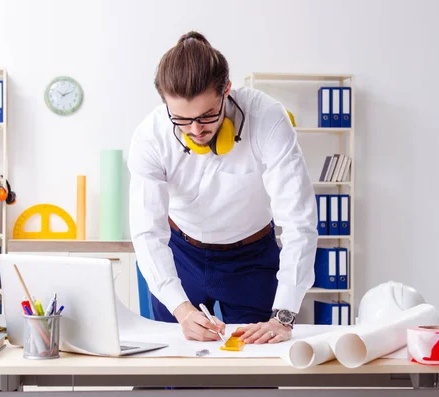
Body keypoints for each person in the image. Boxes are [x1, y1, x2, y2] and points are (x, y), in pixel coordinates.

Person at [127, 31, 318, 345]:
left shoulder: (267, 119)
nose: (195, 130)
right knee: (170, 365)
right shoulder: (150, 136)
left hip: (251, 259)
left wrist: (283, 317)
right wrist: (181, 309)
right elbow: (147, 231)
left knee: (255, 370)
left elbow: (299, 221)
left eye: (207, 116)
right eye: (182, 120)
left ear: (227, 90)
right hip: (180, 253)